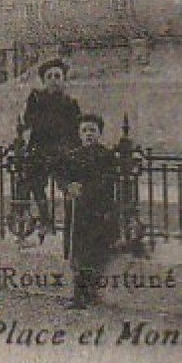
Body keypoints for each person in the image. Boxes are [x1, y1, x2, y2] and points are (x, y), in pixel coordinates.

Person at [56, 114, 119, 308]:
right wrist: (68, 186)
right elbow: (61, 176)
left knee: (94, 252)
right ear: (79, 134)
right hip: (77, 212)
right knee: (77, 252)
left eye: (92, 130)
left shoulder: (106, 156)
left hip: (97, 211)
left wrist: (84, 191)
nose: (88, 134)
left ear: (99, 133)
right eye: (84, 130)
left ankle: (90, 293)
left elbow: (107, 182)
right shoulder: (73, 155)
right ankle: (78, 295)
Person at [20, 59, 81, 230]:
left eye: (58, 76)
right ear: (44, 81)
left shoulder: (70, 103)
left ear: (63, 80)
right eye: (49, 76)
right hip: (40, 148)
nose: (54, 79)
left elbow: (76, 129)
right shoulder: (36, 98)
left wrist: (71, 149)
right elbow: (28, 121)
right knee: (36, 185)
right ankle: (46, 219)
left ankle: (70, 222)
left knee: (67, 185)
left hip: (61, 150)